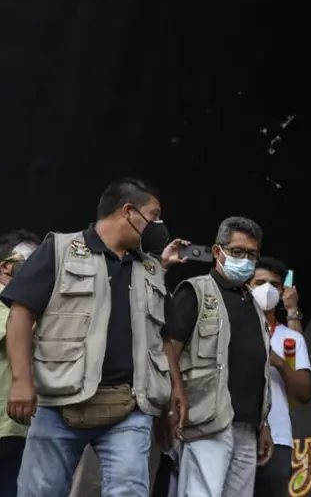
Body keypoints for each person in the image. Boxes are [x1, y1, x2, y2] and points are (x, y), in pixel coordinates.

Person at [2, 178, 183, 496]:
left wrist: (174, 392)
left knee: (129, 490)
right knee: (41, 491)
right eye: (153, 216)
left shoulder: (152, 269)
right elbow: (20, 314)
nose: (158, 226)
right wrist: (21, 381)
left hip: (130, 407)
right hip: (59, 402)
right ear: (128, 211)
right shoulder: (59, 250)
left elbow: (164, 336)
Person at [163, 216, 274, 497]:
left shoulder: (253, 304)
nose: (245, 260)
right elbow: (168, 347)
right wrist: (175, 394)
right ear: (217, 251)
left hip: (247, 425)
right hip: (205, 419)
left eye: (252, 254)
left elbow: (259, 371)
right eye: (237, 251)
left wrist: (263, 425)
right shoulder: (196, 291)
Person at [250, 257, 311, 497]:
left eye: (274, 284)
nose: (266, 289)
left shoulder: (291, 338)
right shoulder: (230, 329)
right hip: (235, 432)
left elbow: (305, 393)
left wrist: (280, 363)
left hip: (278, 438)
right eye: (259, 283)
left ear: (282, 290)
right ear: (246, 285)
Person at [0, 230, 40, 494]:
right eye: (31, 260)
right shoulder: (12, 308)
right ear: (5, 266)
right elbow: (17, 330)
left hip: (18, 426)